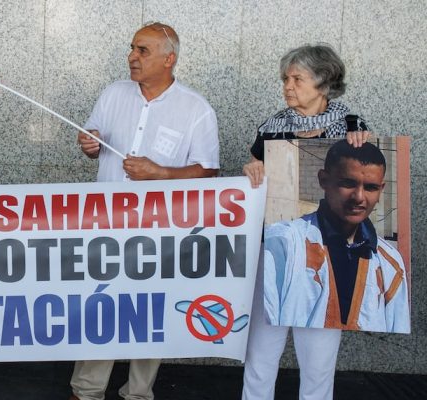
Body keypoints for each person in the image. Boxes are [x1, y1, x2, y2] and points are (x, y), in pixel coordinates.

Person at [71, 22, 219, 400]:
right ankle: (86, 391)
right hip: (103, 224)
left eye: (143, 51)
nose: (132, 57)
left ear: (169, 59)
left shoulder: (195, 109)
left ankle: (138, 393)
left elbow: (209, 172)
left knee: (149, 313)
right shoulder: (113, 93)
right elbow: (93, 136)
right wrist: (90, 143)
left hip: (159, 234)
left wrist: (161, 173)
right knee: (99, 307)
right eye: (132, 49)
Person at [240, 44, 374, 400]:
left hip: (327, 261)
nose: (288, 85)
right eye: (286, 78)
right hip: (274, 256)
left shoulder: (353, 128)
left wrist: (363, 149)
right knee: (260, 355)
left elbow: (369, 179)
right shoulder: (272, 128)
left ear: (324, 83)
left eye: (297, 78)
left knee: (318, 361)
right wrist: (251, 169)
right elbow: (255, 168)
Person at [263, 140, 409, 332]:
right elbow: (267, 325)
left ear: (381, 190)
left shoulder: (389, 262)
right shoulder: (284, 243)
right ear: (324, 180)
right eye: (348, 183)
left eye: (370, 187)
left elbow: (395, 332)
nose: (359, 197)